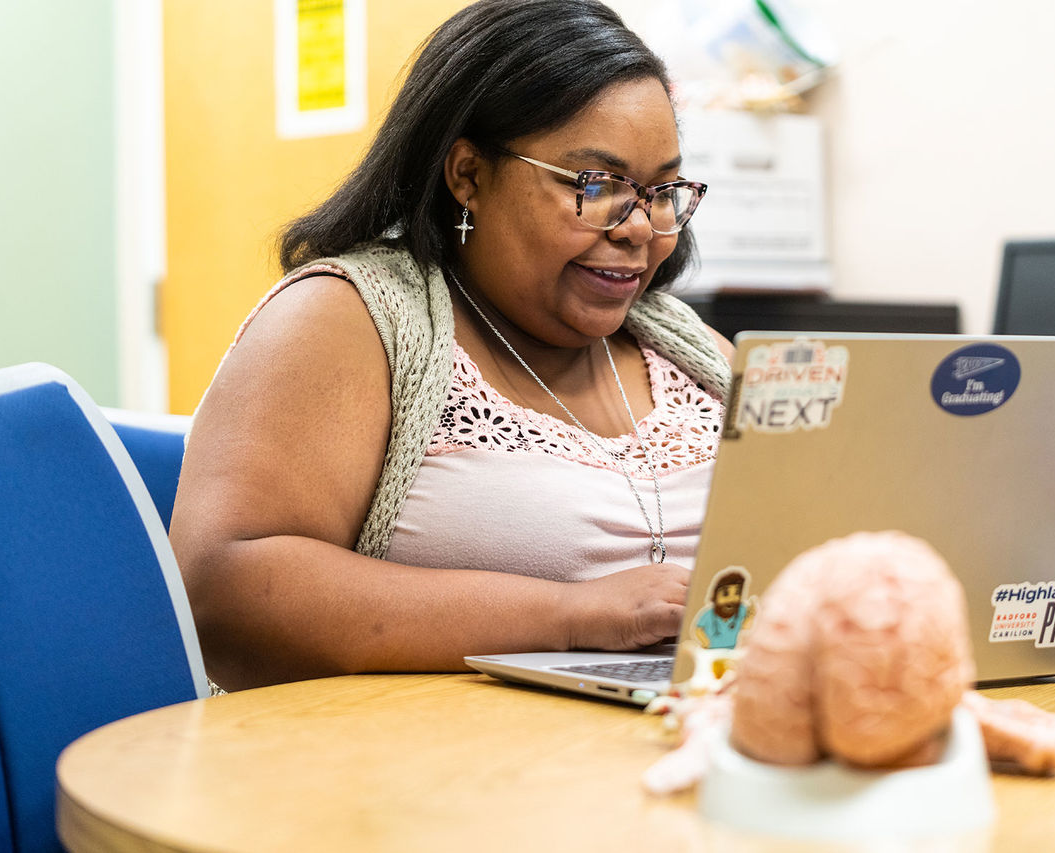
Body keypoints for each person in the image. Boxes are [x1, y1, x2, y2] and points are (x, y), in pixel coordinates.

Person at [171, 0, 734, 691]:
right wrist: (570, 615)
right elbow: (221, 588)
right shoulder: (351, 319)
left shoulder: (687, 348)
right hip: (427, 776)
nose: (640, 227)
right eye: (596, 185)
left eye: (662, 191)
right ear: (468, 175)